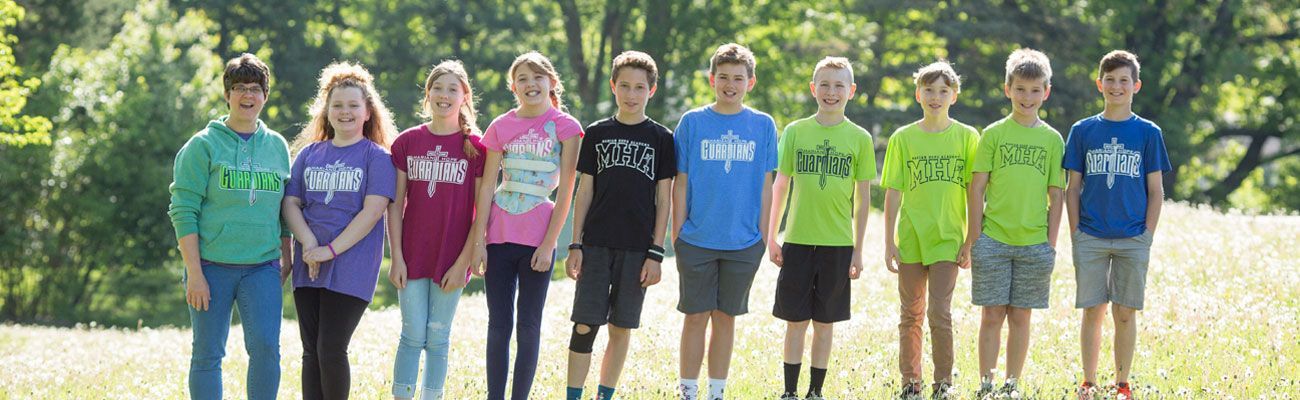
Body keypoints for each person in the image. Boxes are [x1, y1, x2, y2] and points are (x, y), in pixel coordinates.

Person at [168, 53, 290, 400]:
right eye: (239, 88)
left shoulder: (277, 146)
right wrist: (194, 272)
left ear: (265, 96)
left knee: (266, 348)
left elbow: (285, 210)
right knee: (207, 354)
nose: (247, 95)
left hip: (262, 267)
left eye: (255, 88)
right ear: (227, 94)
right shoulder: (202, 146)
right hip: (210, 267)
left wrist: (287, 255)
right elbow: (183, 210)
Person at [470, 51, 583, 400]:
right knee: (498, 324)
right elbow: (487, 186)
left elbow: (567, 189)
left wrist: (550, 244)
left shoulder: (567, 128)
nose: (530, 84)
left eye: (537, 77)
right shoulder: (500, 127)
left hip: (538, 239)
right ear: (513, 87)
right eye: (522, 79)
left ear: (551, 82)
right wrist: (478, 241)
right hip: (499, 237)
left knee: (528, 324)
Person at [563, 50, 675, 400]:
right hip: (595, 245)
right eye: (624, 86)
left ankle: (604, 395)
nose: (631, 94)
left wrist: (656, 252)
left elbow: (664, 199)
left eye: (639, 87)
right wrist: (575, 244)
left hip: (637, 248)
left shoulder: (661, 138)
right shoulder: (597, 133)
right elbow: (585, 191)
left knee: (621, 327)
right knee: (584, 325)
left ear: (651, 91)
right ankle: (573, 395)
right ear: (613, 87)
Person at [282, 61, 398, 400]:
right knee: (310, 353)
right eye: (337, 105)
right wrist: (308, 243)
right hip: (309, 263)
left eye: (352, 105)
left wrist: (330, 251)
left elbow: (372, 212)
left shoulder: (377, 158)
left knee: (331, 349)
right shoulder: (308, 155)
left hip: (351, 266)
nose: (344, 112)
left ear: (367, 112)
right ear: (326, 111)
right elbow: (291, 204)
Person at [766, 56, 877, 400]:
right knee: (795, 322)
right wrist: (772, 236)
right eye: (825, 85)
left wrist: (858, 249)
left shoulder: (859, 138)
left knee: (825, 323)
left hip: (837, 245)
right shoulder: (796, 131)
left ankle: (816, 391)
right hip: (798, 241)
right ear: (813, 89)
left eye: (839, 85)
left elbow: (862, 200)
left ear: (852, 91)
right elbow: (781, 186)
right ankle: (789, 391)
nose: (831, 92)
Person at [956, 48, 1065, 398]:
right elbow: (977, 188)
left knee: (1021, 317)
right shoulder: (993, 134)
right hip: (994, 241)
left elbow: (1057, 194)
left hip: (1034, 244)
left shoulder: (1051, 139)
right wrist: (976, 238)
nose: (1027, 97)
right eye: (1020, 89)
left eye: (1035, 90)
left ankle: (1011, 384)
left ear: (1046, 92)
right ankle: (986, 384)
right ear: (1008, 89)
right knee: (991, 316)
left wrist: (1051, 243)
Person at [672, 43, 778, 400]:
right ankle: (688, 391)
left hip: (743, 242)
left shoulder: (763, 125)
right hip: (697, 238)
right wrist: (678, 234)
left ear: (751, 81)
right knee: (696, 316)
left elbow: (767, 185)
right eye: (723, 77)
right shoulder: (693, 122)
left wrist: (762, 236)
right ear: (711, 79)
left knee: (725, 318)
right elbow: (681, 181)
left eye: (738, 78)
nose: (730, 84)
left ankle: (716, 392)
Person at [1063, 50, 1170, 400]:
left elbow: (1156, 191)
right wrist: (1076, 232)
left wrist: (1146, 236)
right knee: (1093, 309)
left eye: (1124, 80)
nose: (1116, 86)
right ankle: (1089, 381)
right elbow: (1073, 187)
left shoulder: (1148, 133)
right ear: (1099, 84)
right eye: (1109, 80)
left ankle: (1122, 383)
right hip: (1090, 235)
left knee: (1125, 311)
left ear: (1136, 85)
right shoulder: (1083, 130)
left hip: (1132, 236)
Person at [387, 59, 488, 400]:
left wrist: (464, 263)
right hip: (413, 255)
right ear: (428, 94)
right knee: (412, 335)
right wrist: (397, 258)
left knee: (439, 336)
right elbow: (395, 205)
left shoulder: (476, 148)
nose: (444, 95)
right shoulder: (406, 142)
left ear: (465, 96)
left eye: (452, 89)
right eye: (438, 88)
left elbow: (480, 213)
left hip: (452, 257)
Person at [881, 60, 980, 400]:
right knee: (910, 315)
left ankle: (942, 385)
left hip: (948, 240)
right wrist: (888, 243)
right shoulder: (903, 138)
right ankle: (911, 384)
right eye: (929, 90)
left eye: (943, 91)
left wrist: (971, 239)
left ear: (954, 95)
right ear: (917, 94)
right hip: (911, 239)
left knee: (940, 312)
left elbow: (974, 192)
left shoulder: (967, 138)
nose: (935, 97)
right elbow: (893, 192)